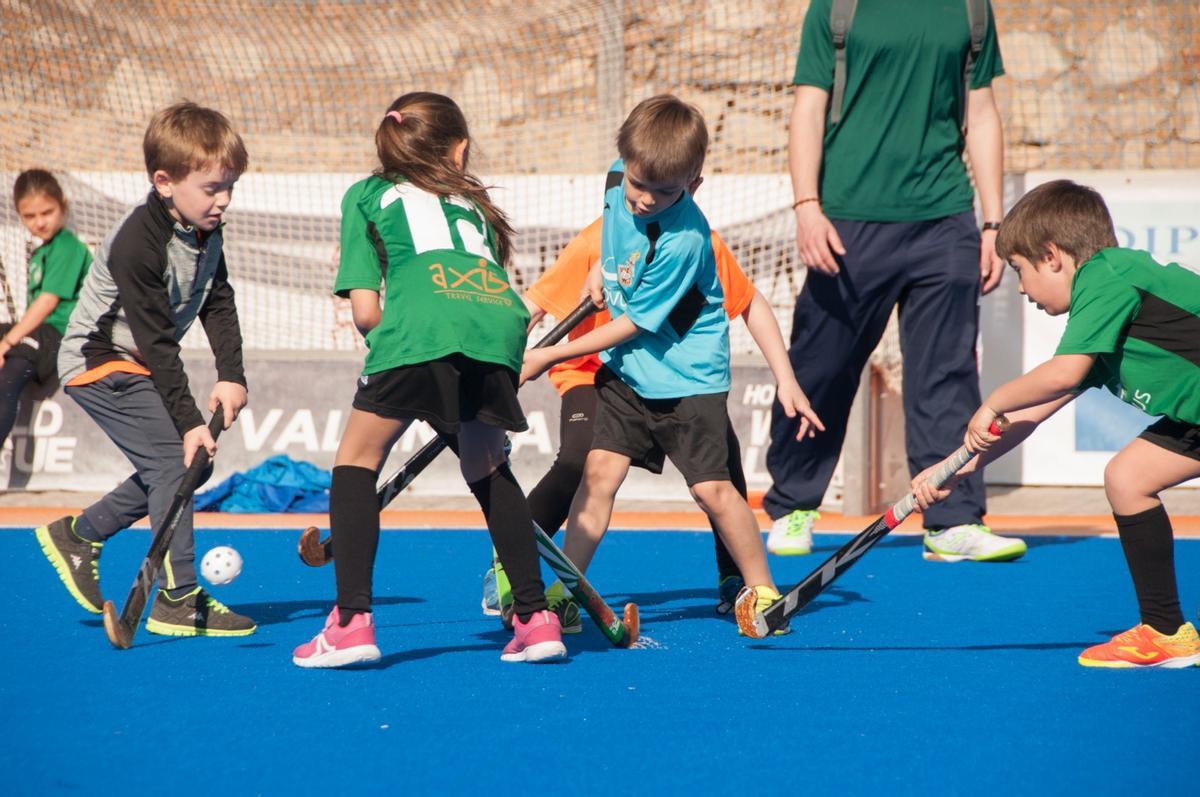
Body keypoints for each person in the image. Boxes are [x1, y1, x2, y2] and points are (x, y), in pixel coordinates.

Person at [522, 95, 821, 635]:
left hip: (687, 384)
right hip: (629, 377)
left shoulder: (686, 239)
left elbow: (635, 323)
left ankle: (763, 591)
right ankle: (565, 592)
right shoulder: (620, 181)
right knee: (598, 473)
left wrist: (548, 353)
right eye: (639, 185)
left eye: (664, 192)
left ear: (694, 186)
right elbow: (616, 229)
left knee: (711, 490)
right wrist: (603, 273)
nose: (644, 200)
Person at [292, 92, 566, 668]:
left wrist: (407, 361)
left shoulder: (366, 195)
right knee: (488, 467)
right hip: (498, 332)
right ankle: (537, 620)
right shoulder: (476, 207)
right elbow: (478, 299)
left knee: (357, 461)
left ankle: (350, 624)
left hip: (420, 332)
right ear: (459, 149)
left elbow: (367, 313)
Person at [766, 0, 1027, 563]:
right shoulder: (836, 9)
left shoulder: (969, 9)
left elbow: (981, 114)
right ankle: (793, 505)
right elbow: (807, 109)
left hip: (946, 218)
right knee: (821, 366)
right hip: (847, 220)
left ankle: (952, 519)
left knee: (948, 373)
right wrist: (807, 206)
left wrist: (992, 222)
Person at [913, 179, 1200, 668]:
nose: (1021, 289)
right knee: (1128, 478)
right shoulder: (1103, 313)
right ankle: (1166, 633)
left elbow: (1057, 376)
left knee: (1128, 477)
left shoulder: (1109, 274)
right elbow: (1032, 413)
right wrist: (956, 469)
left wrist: (993, 402)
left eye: (1020, 270)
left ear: (1053, 256)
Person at [34, 102, 255, 637]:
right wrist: (187, 420)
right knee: (179, 462)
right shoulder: (139, 241)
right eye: (211, 188)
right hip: (97, 358)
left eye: (229, 186)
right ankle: (178, 597)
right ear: (164, 181)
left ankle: (81, 535)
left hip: (135, 363)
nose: (223, 200)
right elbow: (158, 344)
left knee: (185, 465)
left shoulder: (206, 230)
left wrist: (232, 373)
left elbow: (217, 300)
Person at [1, 170, 91, 453]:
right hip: (41, 333)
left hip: (61, 335)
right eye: (30, 216)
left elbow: (47, 303)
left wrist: (7, 342)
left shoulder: (68, 246)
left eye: (46, 212)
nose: (39, 222)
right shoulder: (42, 252)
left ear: (62, 205)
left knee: (8, 379)